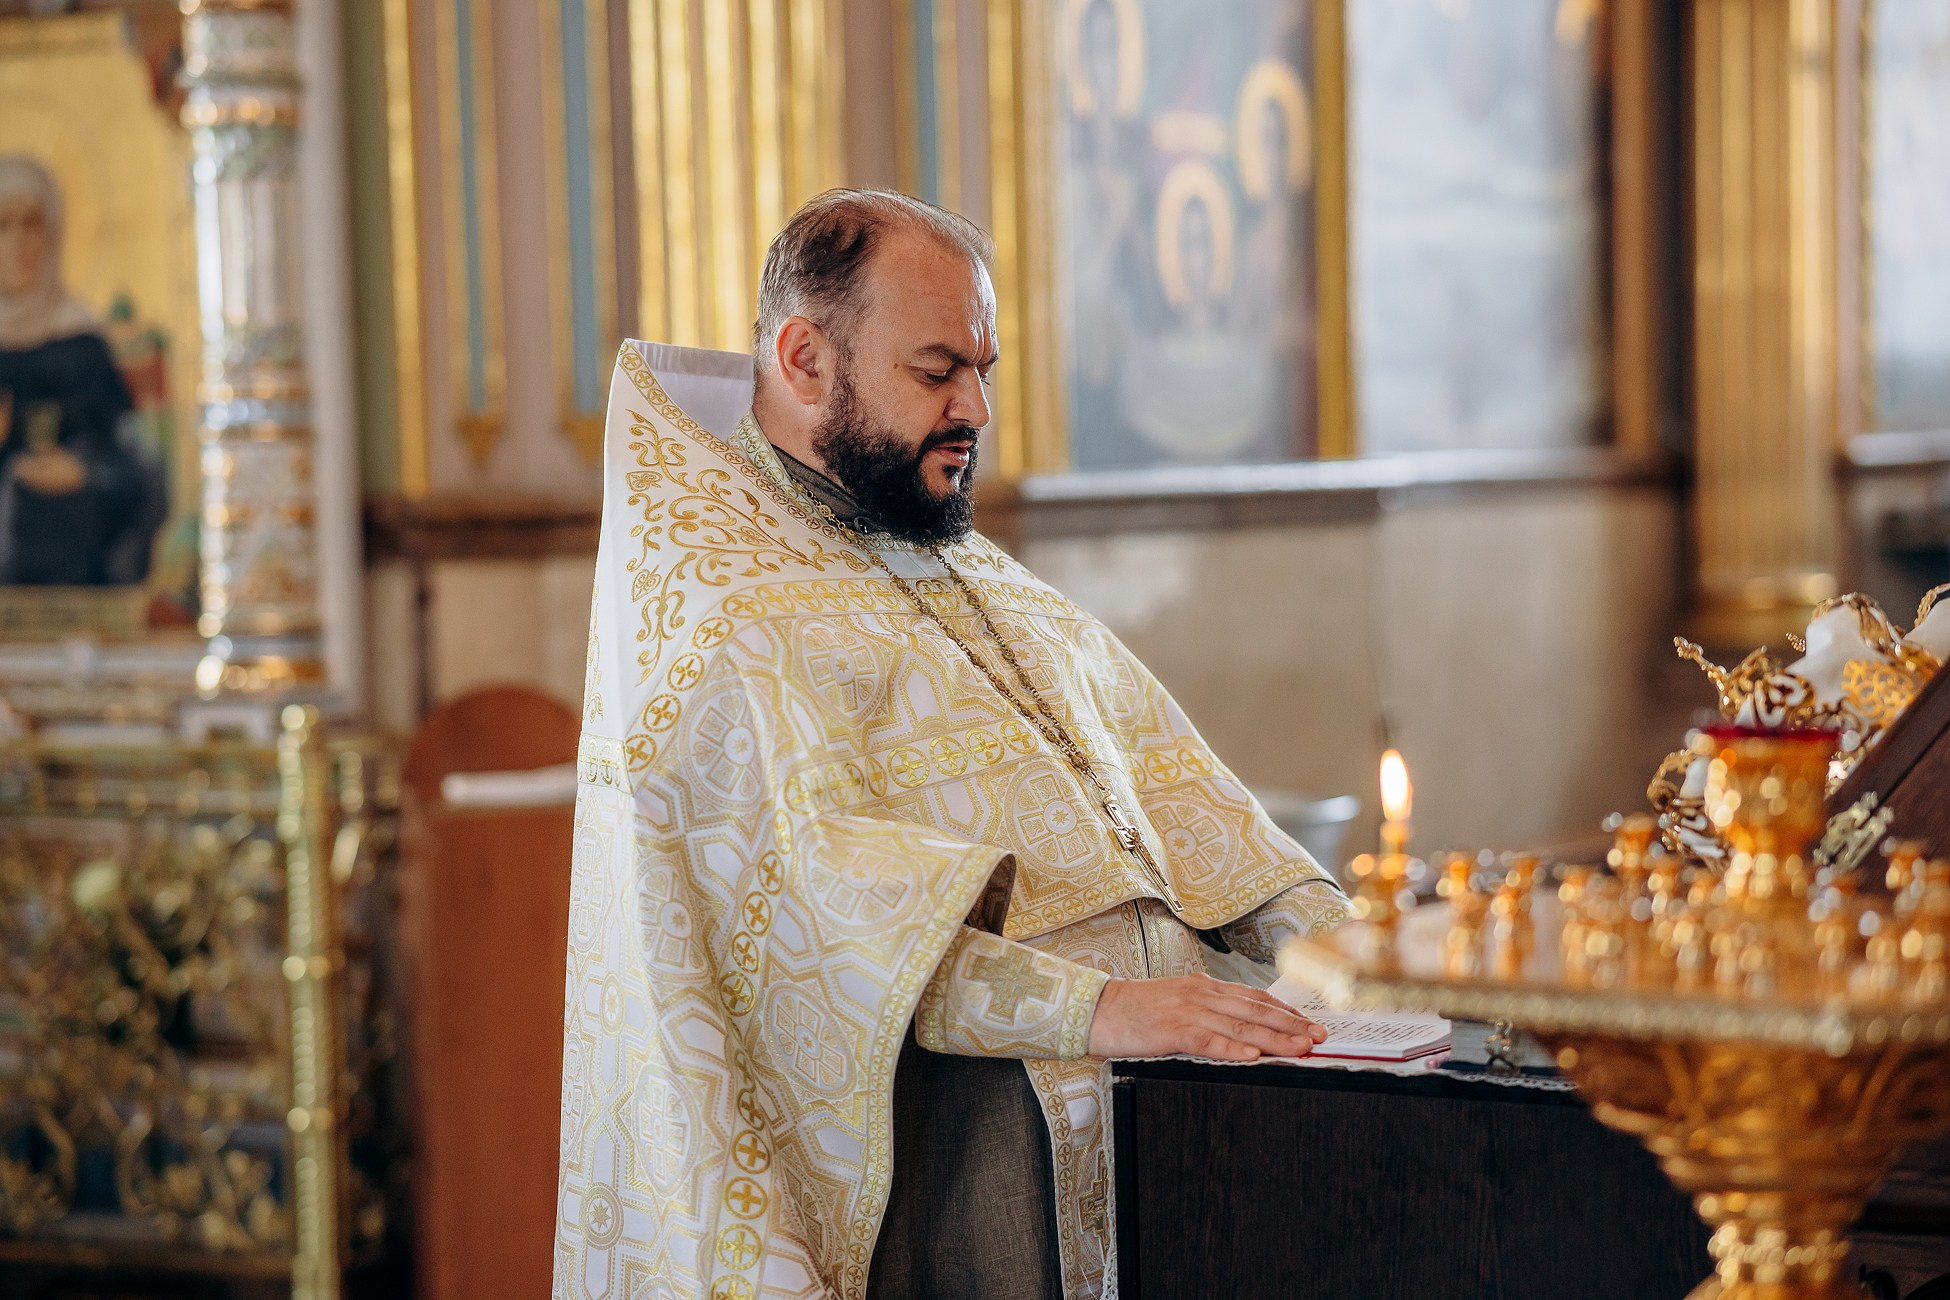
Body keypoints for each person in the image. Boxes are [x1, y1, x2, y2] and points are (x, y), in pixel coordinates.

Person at [556, 190, 1348, 1300]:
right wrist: (1104, 1010)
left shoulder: (963, 564)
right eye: (936, 372)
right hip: (972, 1165)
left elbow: (1179, 794)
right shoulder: (721, 613)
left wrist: (1363, 952)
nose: (973, 406)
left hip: (1194, 1125)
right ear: (805, 359)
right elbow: (815, 934)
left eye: (984, 368)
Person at [0, 154, 163, 587]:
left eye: (31, 224)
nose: (17, 242)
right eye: (3, 224)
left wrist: (85, 473)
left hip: (70, 574)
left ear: (53, 234)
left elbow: (136, 471)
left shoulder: (84, 345)